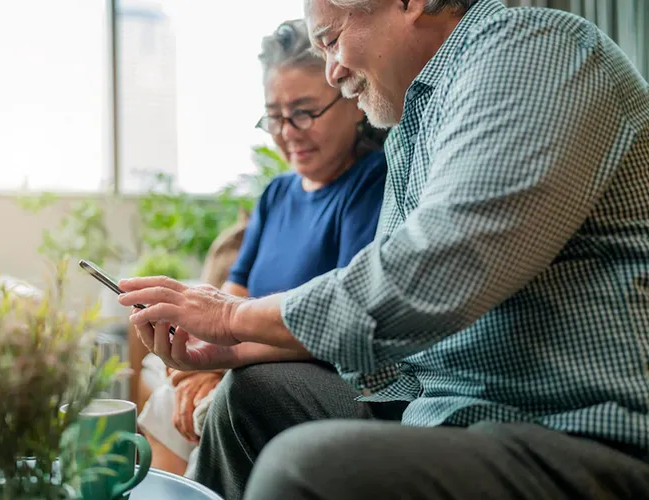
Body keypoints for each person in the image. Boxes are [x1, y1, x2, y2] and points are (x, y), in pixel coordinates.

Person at [119, 0, 649, 498]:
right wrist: (228, 352)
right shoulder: (413, 124)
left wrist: (235, 318)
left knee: (307, 465)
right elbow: (382, 334)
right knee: (250, 397)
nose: (332, 71)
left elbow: (429, 277)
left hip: (579, 428)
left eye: (332, 39)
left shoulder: (535, 51)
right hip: (449, 407)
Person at [135, 18, 392, 478]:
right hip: (243, 361)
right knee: (168, 399)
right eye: (275, 116)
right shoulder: (277, 195)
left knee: (229, 397)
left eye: (305, 112)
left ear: (352, 100)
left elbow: (344, 324)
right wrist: (202, 366)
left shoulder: (373, 185)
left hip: (315, 376)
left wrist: (223, 362)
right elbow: (233, 292)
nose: (288, 131)